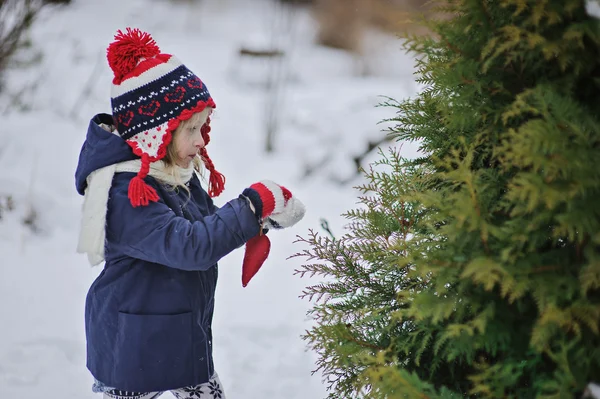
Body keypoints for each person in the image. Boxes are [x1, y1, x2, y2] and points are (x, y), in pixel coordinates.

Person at [75, 28, 305, 399]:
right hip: (132, 346)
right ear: (157, 135)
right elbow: (189, 246)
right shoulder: (127, 192)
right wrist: (251, 204)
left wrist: (256, 220)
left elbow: (206, 225)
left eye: (203, 127)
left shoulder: (174, 173)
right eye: (192, 130)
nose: (202, 141)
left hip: (180, 335)